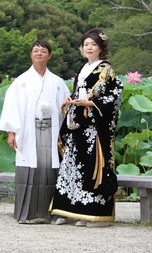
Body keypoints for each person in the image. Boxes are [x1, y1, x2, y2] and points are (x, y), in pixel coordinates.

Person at [50, 28, 123, 227]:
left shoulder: (106, 69)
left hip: (94, 127)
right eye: (86, 45)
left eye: (93, 45)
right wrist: (70, 100)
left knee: (94, 167)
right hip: (78, 125)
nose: (89, 48)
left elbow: (113, 96)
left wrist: (91, 104)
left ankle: (98, 213)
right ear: (82, 49)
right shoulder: (84, 69)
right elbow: (80, 94)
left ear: (101, 48)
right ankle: (77, 211)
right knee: (74, 167)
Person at [0, 40, 70, 224]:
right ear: (31, 55)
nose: (39, 53)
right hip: (29, 130)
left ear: (49, 56)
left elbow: (66, 106)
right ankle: (28, 214)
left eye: (43, 51)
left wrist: (66, 106)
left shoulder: (57, 82)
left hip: (52, 131)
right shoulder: (21, 81)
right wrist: (11, 132)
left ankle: (51, 212)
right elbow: (12, 107)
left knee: (50, 169)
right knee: (30, 169)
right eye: (36, 50)